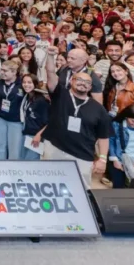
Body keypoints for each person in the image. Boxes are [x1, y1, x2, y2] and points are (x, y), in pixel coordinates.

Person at [45, 47, 110, 187]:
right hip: (56, 148)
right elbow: (50, 73)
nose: (82, 83)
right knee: (52, 185)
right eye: (78, 80)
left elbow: (104, 136)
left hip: (82, 153)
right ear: (71, 81)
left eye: (87, 83)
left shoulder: (98, 109)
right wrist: (50, 56)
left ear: (91, 87)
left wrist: (102, 159)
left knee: (81, 188)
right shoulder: (61, 94)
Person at [0, 60, 25, 160]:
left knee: (15, 146)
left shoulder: (22, 84)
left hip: (16, 120)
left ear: (14, 72)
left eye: (5, 71)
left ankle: (13, 167)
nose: (2, 72)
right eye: (1, 70)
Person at [20, 76, 49, 160]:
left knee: (32, 161)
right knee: (24, 160)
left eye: (29, 82)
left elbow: (49, 122)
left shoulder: (41, 100)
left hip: (35, 135)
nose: (26, 85)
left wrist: (39, 135)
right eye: (24, 82)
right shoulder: (27, 97)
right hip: (26, 133)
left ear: (35, 84)